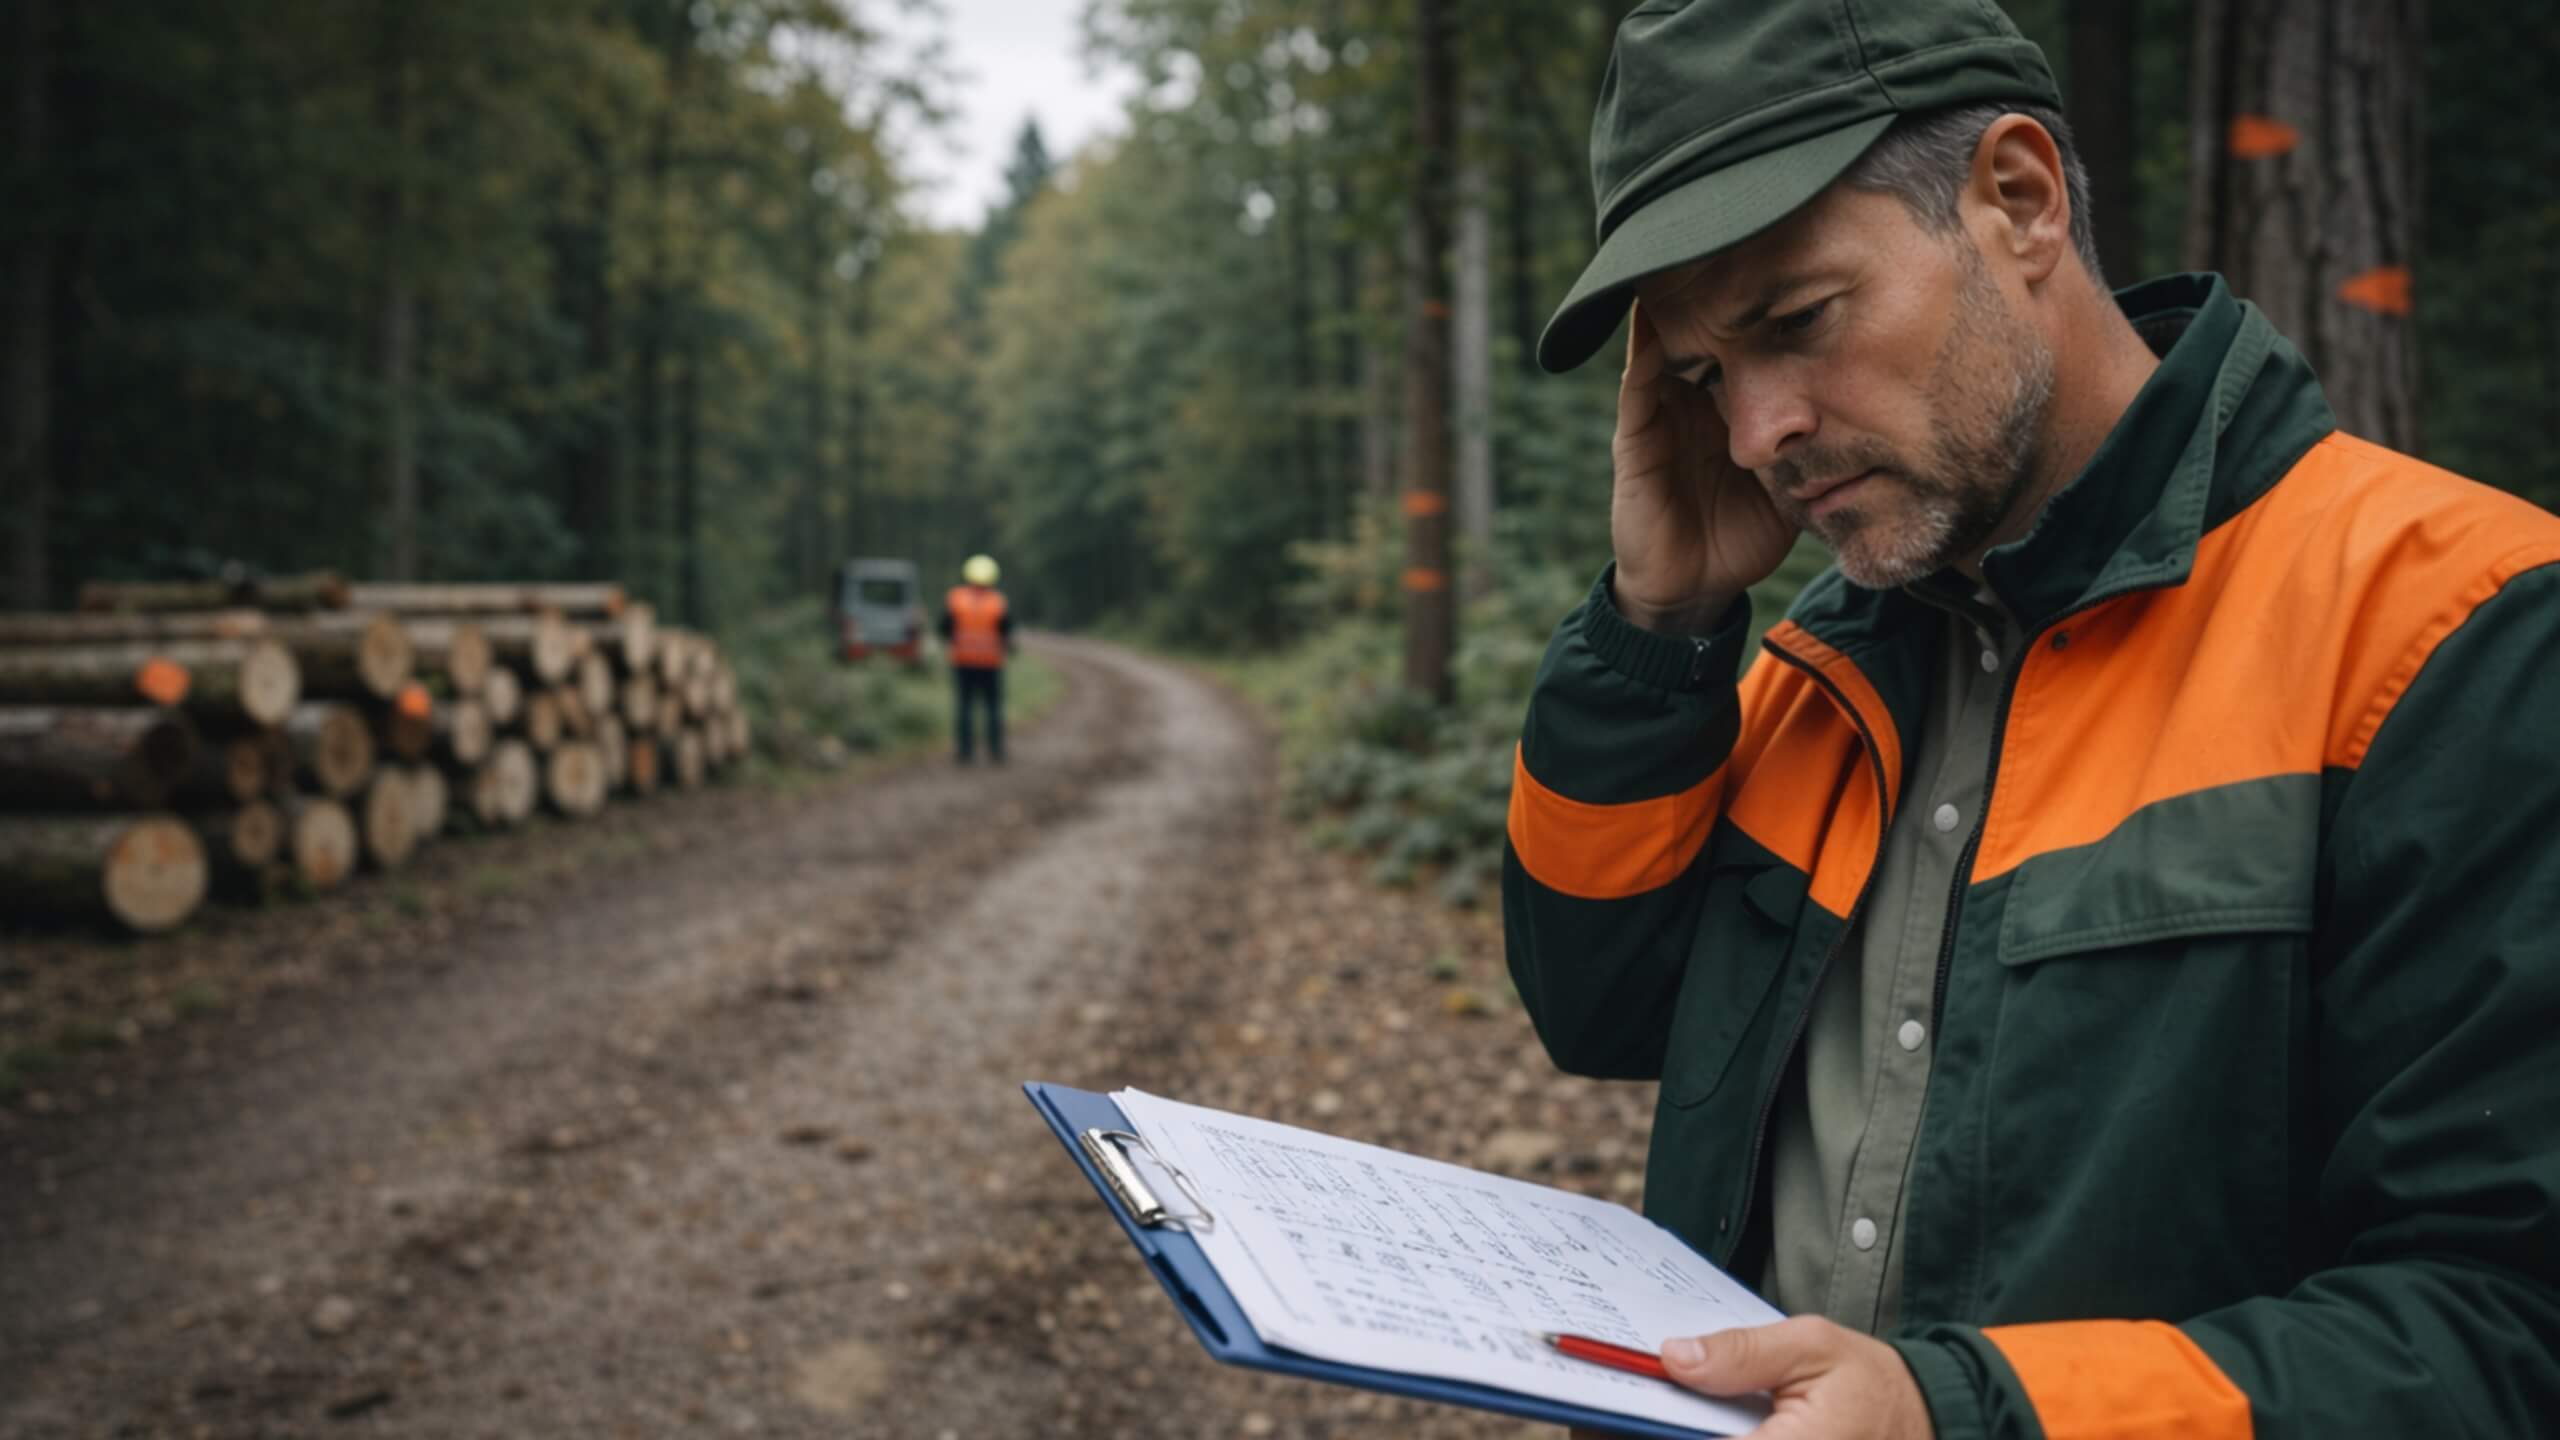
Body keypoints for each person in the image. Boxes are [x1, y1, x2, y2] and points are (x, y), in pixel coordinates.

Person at [1502, 4, 2560, 1438]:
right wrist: (1658, 628)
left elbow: (2503, 1326)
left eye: (1795, 323)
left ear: (2020, 198)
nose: (1755, 432)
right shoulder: (1827, 669)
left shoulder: (2461, 626)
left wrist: (1960, 1416)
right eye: (1702, 378)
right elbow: (1603, 1001)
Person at [941, 553, 1013, 764]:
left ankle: (965, 752)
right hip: (990, 664)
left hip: (963, 663)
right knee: (993, 708)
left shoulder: (956, 599)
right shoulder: (997, 602)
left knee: (964, 707)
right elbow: (1006, 633)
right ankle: (996, 750)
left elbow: (944, 629)